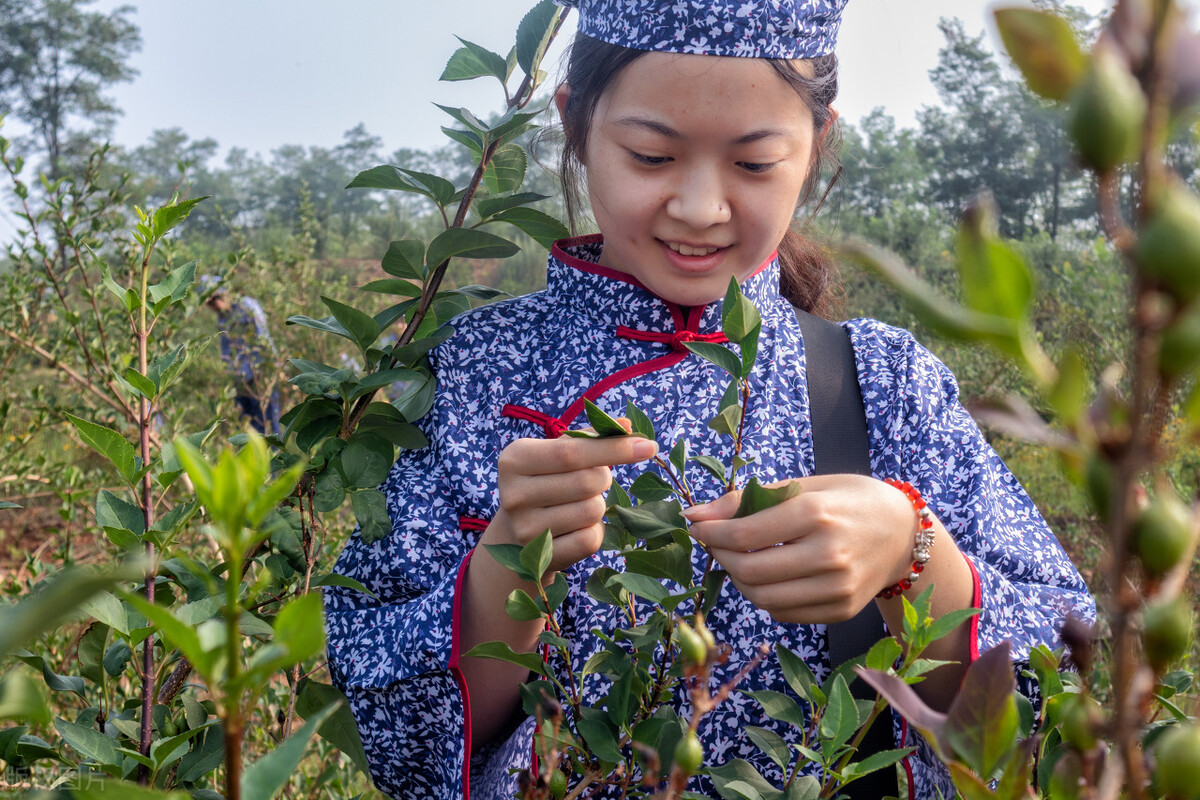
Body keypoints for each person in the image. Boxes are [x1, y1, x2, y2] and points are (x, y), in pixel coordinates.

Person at [323, 2, 1095, 798]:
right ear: (576, 127)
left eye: (753, 165)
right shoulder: (475, 374)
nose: (699, 207)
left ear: (816, 145)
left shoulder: (884, 387)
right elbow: (399, 743)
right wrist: (508, 569)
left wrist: (914, 555)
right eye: (651, 156)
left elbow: (1068, 699)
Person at [201, 276, 281, 435]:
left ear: (222, 295)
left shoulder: (247, 307)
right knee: (248, 428)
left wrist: (263, 370)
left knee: (267, 425)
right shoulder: (222, 316)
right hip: (240, 380)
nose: (212, 307)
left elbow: (262, 338)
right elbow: (226, 350)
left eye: (212, 302)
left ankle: (273, 458)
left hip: (259, 375)